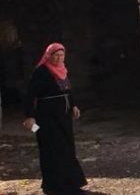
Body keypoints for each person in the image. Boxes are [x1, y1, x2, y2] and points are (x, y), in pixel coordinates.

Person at [23, 42, 88, 195]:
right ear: (49, 56)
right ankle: (54, 186)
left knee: (68, 148)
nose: (59, 58)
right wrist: (30, 116)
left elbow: (68, 90)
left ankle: (71, 183)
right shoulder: (41, 72)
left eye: (61, 55)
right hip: (47, 118)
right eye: (56, 55)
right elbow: (31, 94)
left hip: (64, 117)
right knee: (53, 149)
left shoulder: (63, 70)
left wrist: (73, 105)